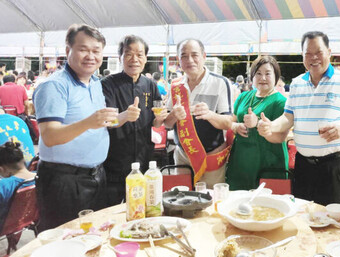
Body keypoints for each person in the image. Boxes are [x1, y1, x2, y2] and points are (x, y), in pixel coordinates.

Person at [257, 31, 340, 210]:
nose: (314, 58)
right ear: (302, 56)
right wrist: (270, 126)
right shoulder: (296, 84)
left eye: (318, 52)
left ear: (329, 52)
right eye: (308, 54)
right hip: (304, 166)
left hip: (335, 167)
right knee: (303, 216)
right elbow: (288, 117)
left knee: (335, 221)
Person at [33, 24, 117, 231]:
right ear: (68, 50)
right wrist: (88, 122)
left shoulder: (95, 83)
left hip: (96, 175)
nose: (91, 56)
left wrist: (124, 116)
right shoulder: (54, 86)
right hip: (64, 181)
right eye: (83, 49)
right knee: (64, 241)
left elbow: (99, 123)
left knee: (94, 236)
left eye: (96, 51)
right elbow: (50, 136)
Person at [101, 35, 167, 206]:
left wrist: (160, 119)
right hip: (114, 163)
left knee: (143, 209)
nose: (134, 59)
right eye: (129, 54)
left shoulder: (150, 85)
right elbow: (107, 123)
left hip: (144, 160)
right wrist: (124, 116)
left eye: (140, 54)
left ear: (146, 58)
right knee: (113, 212)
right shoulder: (108, 84)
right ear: (120, 57)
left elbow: (156, 122)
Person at [164, 39, 232, 187]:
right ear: (178, 60)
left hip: (210, 157)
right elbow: (167, 124)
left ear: (204, 56)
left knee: (211, 202)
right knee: (182, 200)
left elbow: (228, 122)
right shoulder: (175, 86)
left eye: (194, 55)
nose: (190, 60)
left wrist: (210, 115)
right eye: (184, 56)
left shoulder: (220, 82)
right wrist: (174, 116)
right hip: (182, 156)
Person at [226, 56, 287, 190]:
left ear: (276, 76)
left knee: (266, 205)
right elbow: (231, 121)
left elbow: (281, 137)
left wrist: (258, 123)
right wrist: (235, 126)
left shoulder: (281, 102)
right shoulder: (243, 96)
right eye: (258, 73)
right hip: (240, 160)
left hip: (268, 161)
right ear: (252, 77)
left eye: (267, 74)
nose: (262, 78)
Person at [0, 141, 36, 230]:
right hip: (28, 219)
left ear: (2, 169)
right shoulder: (39, 177)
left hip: (3, 225)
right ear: (23, 161)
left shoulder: (4, 185)